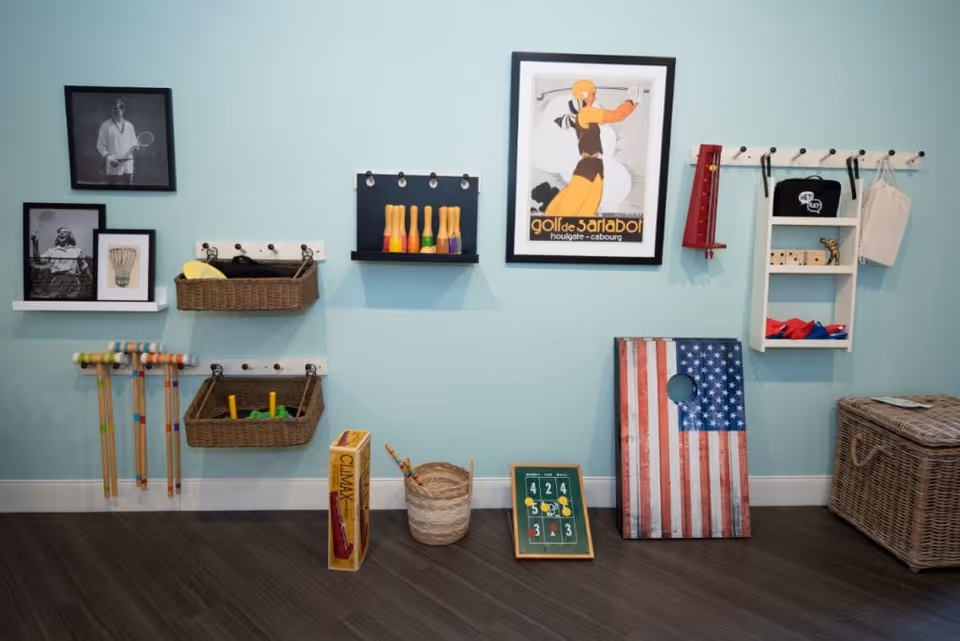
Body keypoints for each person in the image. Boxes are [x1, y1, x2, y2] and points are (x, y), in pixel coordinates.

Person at [545, 80, 640, 217]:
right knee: (572, 203)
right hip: (588, 165)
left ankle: (569, 229)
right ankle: (552, 222)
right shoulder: (586, 113)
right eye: (593, 93)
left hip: (596, 166)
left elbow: (608, 118)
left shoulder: (585, 114)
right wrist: (632, 101)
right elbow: (615, 116)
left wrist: (632, 102)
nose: (595, 96)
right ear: (584, 94)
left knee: (590, 205)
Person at [30, 223, 92, 299]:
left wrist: (92, 280)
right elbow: (37, 260)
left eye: (64, 232)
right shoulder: (51, 251)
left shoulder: (77, 251)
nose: (61, 233)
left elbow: (85, 269)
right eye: (59, 232)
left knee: (71, 307)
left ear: (69, 236)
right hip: (56, 283)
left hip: (73, 283)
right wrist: (35, 243)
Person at [96, 98, 138, 185]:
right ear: (112, 109)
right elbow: (100, 145)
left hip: (128, 164)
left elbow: (134, 144)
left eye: (120, 108)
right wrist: (110, 159)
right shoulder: (105, 125)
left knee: (129, 192)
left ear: (124, 109)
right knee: (113, 192)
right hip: (113, 164)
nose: (118, 110)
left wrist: (136, 147)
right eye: (115, 108)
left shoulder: (129, 125)